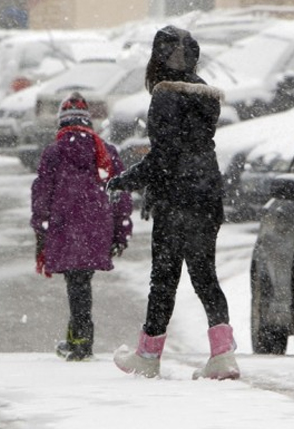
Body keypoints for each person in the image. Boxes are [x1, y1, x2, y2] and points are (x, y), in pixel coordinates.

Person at [106, 25, 240, 380]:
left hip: (177, 200)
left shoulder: (165, 95)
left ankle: (148, 356)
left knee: (163, 279)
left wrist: (127, 181)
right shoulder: (206, 96)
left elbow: (165, 155)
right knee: (205, 276)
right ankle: (223, 355)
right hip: (208, 194)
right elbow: (190, 149)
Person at [31, 91, 133, 361]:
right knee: (81, 280)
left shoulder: (55, 152)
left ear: (61, 123)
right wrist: (121, 231)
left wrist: (40, 229)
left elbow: (42, 194)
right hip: (97, 227)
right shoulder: (106, 152)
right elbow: (120, 194)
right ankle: (78, 337)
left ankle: (80, 340)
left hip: (64, 226)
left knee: (76, 281)